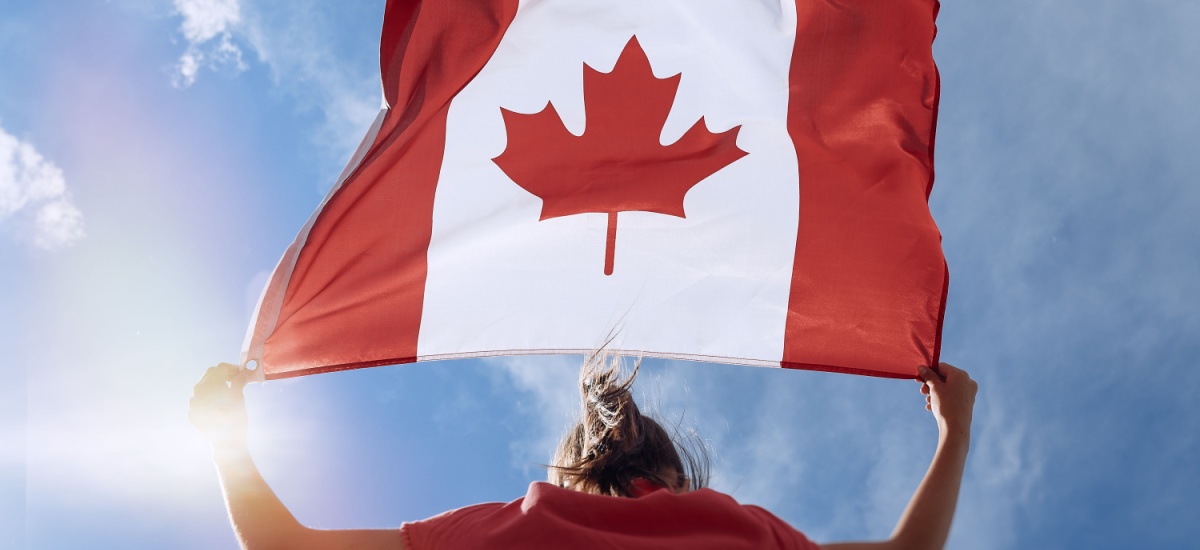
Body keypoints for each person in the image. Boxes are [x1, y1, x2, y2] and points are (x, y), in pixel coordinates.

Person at [190, 354, 977, 550]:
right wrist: (955, 428)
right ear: (671, 471)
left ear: (572, 471)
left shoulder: (516, 523)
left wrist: (227, 441)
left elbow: (280, 544)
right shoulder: (746, 530)